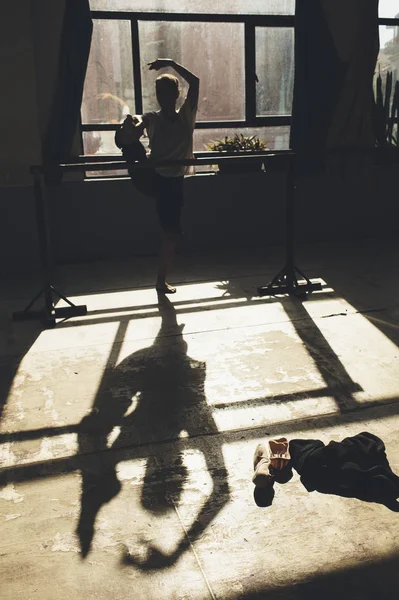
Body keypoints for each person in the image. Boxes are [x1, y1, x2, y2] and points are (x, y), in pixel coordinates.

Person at [124, 58, 199, 294]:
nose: (161, 96)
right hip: (155, 179)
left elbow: (195, 82)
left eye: (166, 91)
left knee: (170, 234)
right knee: (170, 235)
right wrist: (132, 124)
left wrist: (171, 63)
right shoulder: (153, 118)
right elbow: (140, 120)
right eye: (158, 91)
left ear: (176, 94)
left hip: (173, 181)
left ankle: (161, 279)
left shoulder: (186, 115)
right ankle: (160, 281)